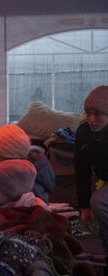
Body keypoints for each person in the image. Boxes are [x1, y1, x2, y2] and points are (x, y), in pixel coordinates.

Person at [75, 85, 108, 256]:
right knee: (103, 231)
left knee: (99, 201)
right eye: (88, 113)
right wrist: (84, 206)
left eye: (98, 114)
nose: (91, 119)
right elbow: (81, 168)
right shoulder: (84, 132)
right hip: (103, 178)